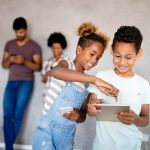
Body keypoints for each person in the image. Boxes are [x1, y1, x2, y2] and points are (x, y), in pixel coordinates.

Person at [32, 22, 119, 150]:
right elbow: (55, 72)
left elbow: (83, 115)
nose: (94, 61)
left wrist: (78, 116)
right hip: (46, 131)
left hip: (67, 135)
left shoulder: (86, 85)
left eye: (98, 58)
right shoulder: (65, 64)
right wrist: (95, 80)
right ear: (79, 49)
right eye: (92, 54)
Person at [87, 26, 150, 150]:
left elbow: (145, 120)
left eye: (128, 57)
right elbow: (90, 111)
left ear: (139, 53)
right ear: (111, 51)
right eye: (117, 56)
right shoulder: (101, 77)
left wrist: (136, 119)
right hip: (102, 146)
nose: (122, 62)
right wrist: (91, 109)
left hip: (131, 145)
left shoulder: (143, 84)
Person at [1, 17, 42, 150]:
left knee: (18, 114)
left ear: (26, 30)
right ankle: (9, 147)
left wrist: (24, 61)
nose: (19, 34)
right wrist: (11, 60)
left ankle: (7, 147)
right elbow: (4, 65)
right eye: (17, 32)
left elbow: (38, 67)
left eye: (22, 32)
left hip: (26, 83)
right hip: (11, 82)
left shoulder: (34, 46)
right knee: (7, 114)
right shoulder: (9, 44)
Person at [41, 32, 68, 110]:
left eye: (58, 48)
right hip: (46, 96)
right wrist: (47, 74)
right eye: (53, 48)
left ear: (62, 48)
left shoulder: (66, 62)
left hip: (60, 97)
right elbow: (43, 80)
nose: (55, 50)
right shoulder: (47, 62)